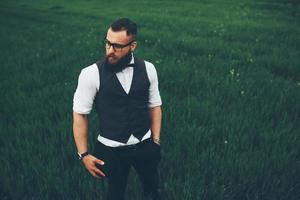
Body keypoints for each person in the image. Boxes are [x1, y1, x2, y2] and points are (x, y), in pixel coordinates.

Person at [72, 18, 162, 200]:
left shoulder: (149, 69)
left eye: (117, 46)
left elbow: (155, 106)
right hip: (111, 149)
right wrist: (84, 155)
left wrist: (156, 141)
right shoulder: (90, 74)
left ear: (133, 46)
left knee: (151, 183)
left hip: (145, 144)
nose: (110, 51)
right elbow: (80, 115)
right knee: (115, 192)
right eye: (107, 43)